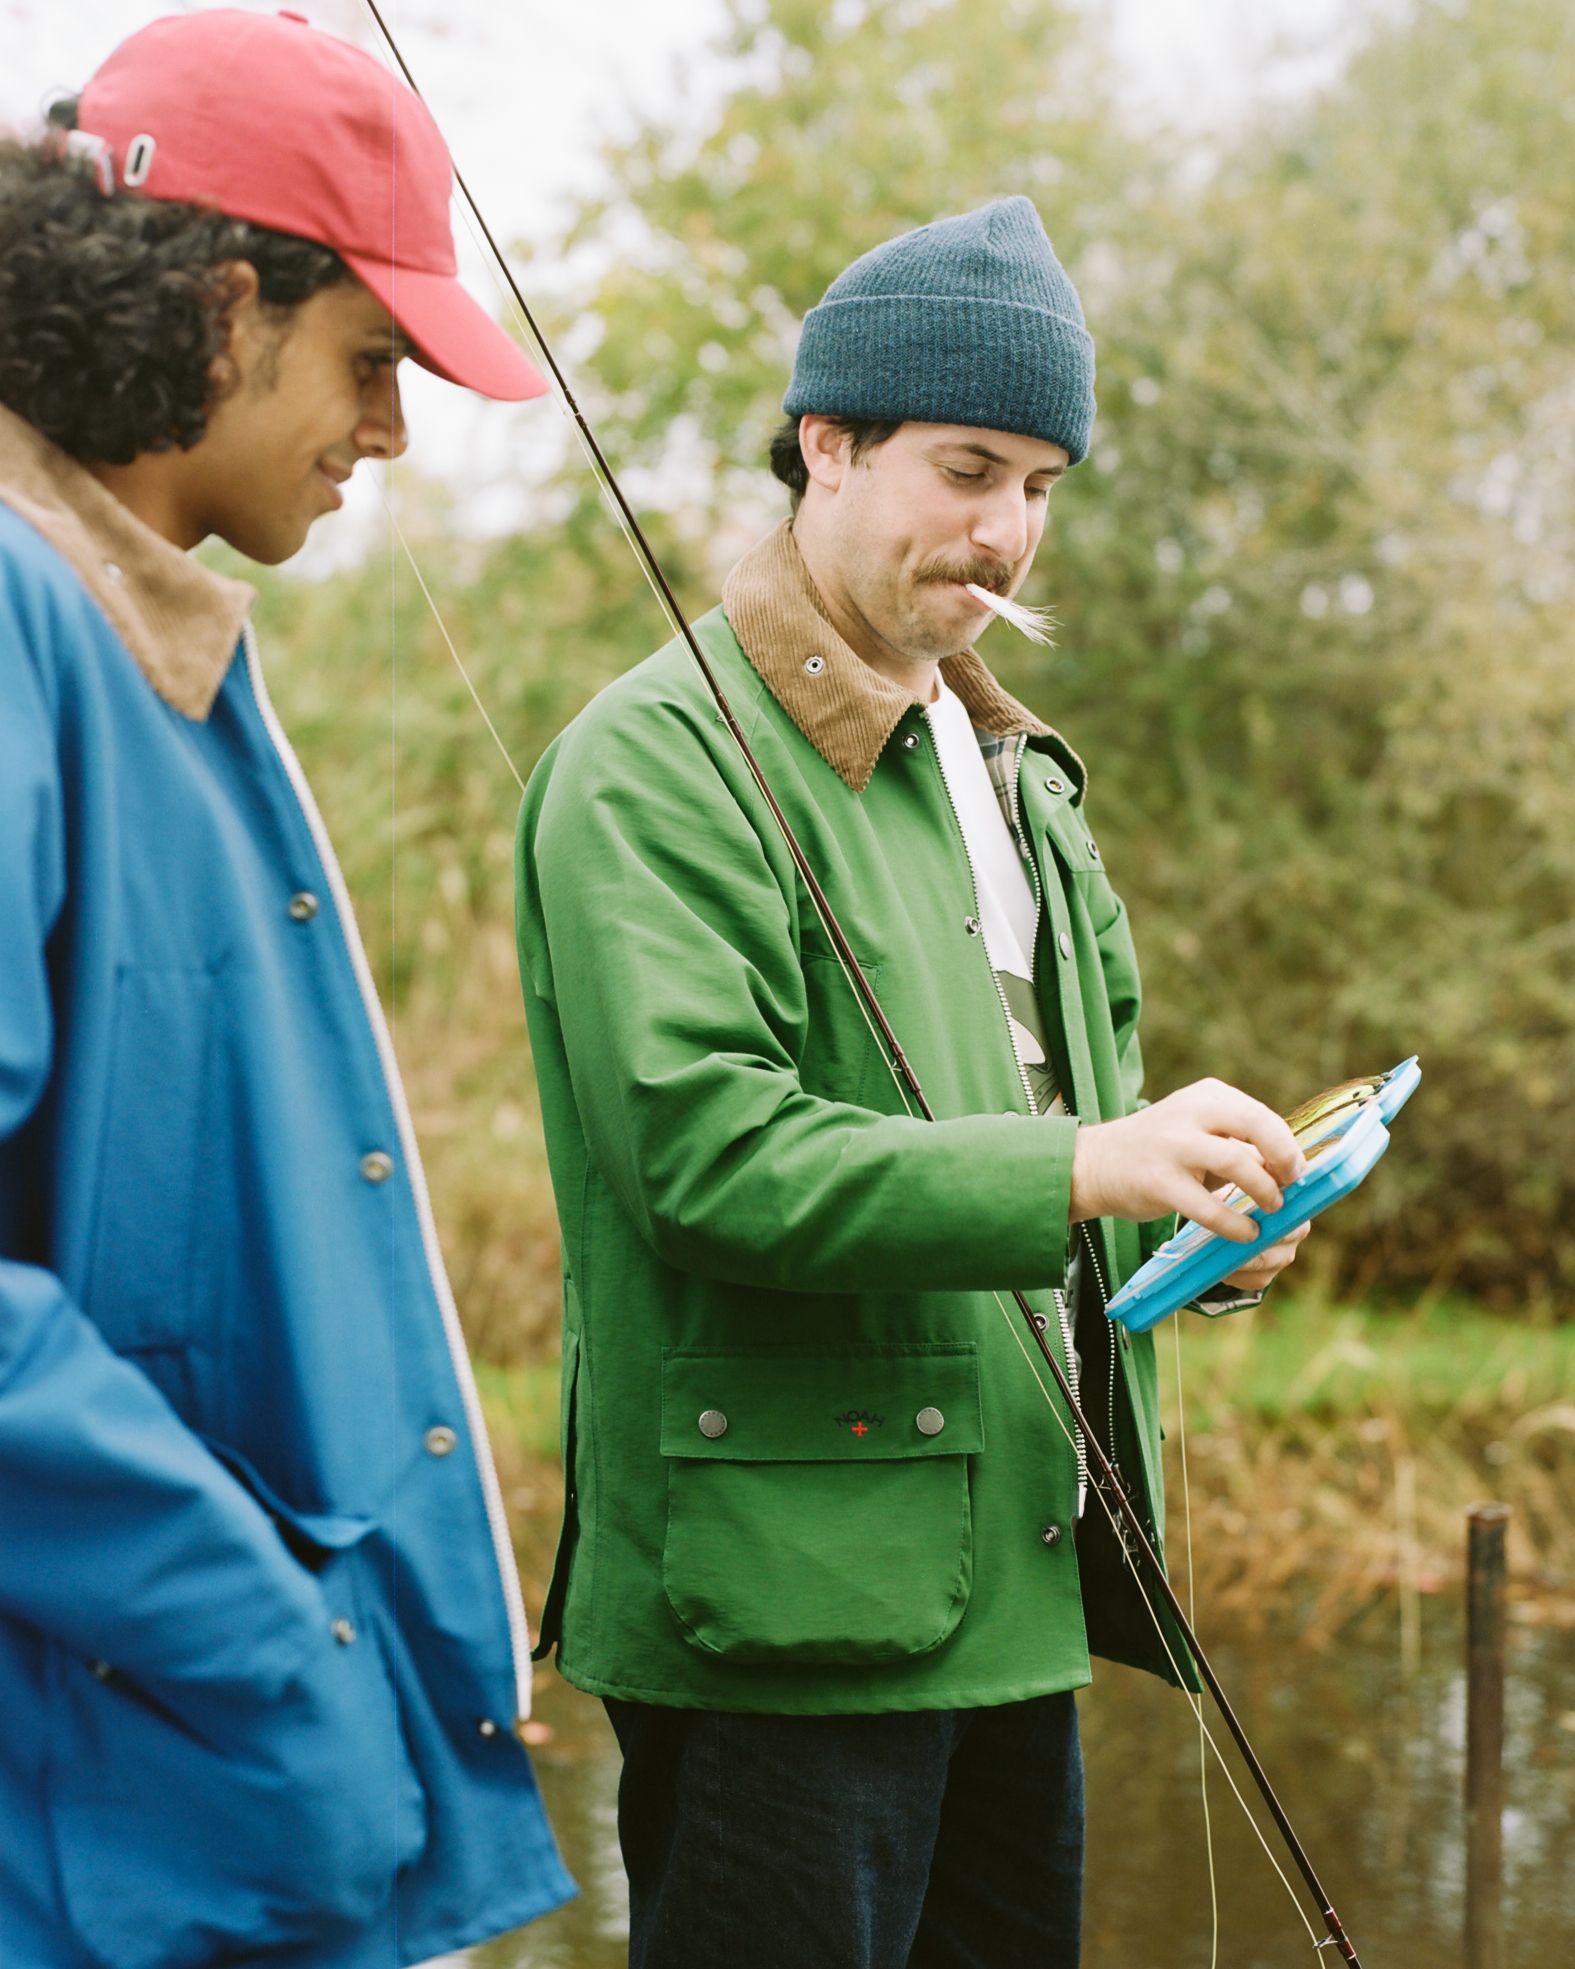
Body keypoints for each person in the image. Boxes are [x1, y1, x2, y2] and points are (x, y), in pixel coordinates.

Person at [514, 196, 1311, 1968]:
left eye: (1038, 484)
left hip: (1014, 1587)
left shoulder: (1012, 766)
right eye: (967, 469)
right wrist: (1095, 1164)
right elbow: (712, 1161)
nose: (1007, 530)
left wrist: (1199, 1216)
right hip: (780, 1608)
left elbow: (1061, 1132)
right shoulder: (651, 766)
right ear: (827, 442)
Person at [0, 12, 573, 1967]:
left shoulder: (150, 634)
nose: (394, 433)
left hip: (212, 1826)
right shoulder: (12, 618)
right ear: (228, 309)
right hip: (110, 1833)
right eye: (373, 361)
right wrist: (287, 1643)